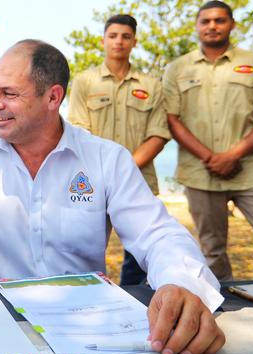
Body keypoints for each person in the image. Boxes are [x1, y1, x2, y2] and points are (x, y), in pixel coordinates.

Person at [0, 40, 225, 354]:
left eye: (9, 93)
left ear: (53, 98)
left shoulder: (106, 159)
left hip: (84, 330)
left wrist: (180, 284)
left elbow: (157, 234)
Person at [163, 1, 253, 281]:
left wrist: (233, 155)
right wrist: (211, 158)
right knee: (211, 254)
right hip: (200, 174)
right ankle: (226, 315)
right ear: (197, 26)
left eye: (219, 20)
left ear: (232, 24)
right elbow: (172, 119)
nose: (212, 26)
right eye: (205, 21)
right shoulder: (177, 69)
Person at [68, 14, 170, 285]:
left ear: (134, 41)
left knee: (138, 255)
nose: (119, 42)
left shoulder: (152, 86)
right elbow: (79, 130)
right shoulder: (84, 82)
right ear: (103, 40)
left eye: (126, 36)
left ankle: (134, 304)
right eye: (113, 36)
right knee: (84, 249)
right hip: (91, 180)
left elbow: (158, 134)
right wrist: (107, 171)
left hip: (139, 179)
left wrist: (122, 169)